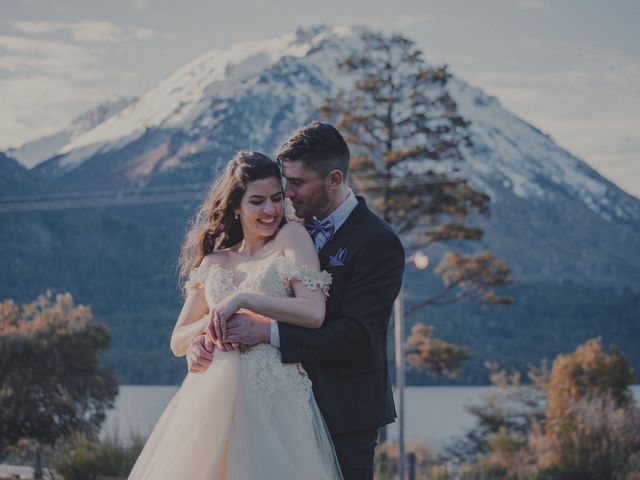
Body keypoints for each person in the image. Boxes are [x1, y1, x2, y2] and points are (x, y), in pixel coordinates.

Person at [188, 122, 405, 479]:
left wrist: (266, 333)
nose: (286, 193)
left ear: (334, 180)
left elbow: (357, 335)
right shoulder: (284, 229)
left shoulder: (377, 242)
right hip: (272, 407)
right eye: (285, 181)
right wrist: (206, 338)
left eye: (297, 183)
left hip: (343, 411)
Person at [128, 151, 343, 479]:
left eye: (276, 199)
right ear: (235, 206)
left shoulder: (292, 237)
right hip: (210, 402)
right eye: (257, 201)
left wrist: (244, 299)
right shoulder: (215, 261)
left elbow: (314, 311)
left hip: (272, 400)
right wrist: (205, 333)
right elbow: (177, 340)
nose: (270, 210)